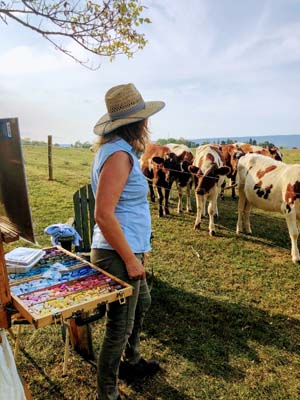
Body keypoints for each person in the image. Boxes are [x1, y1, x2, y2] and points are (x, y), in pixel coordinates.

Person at [90, 83, 165, 400]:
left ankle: (131, 360)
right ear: (137, 123)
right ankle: (107, 393)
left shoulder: (115, 151)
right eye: (145, 119)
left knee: (143, 302)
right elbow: (103, 215)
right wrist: (131, 260)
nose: (147, 125)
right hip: (117, 252)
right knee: (118, 327)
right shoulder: (119, 156)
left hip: (125, 248)